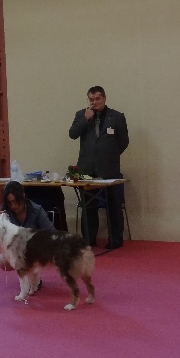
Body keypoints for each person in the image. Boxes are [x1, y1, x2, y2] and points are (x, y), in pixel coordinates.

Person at [68, 85, 129, 250]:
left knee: (113, 205)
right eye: (91, 99)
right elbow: (72, 134)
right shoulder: (81, 115)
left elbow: (123, 142)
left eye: (98, 98)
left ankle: (115, 240)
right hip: (87, 170)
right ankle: (88, 239)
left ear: (104, 98)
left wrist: (108, 155)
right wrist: (85, 119)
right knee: (89, 207)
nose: (95, 102)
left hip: (109, 169)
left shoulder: (117, 117)